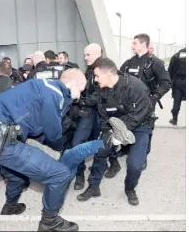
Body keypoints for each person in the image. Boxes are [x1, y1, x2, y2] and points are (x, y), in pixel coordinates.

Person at [0, 68, 132, 231]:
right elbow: (53, 133)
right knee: (60, 175)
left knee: (18, 175)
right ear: (74, 83)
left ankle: (10, 206)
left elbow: (34, 122)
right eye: (81, 90)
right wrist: (58, 146)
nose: (79, 96)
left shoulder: (45, 86)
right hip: (7, 144)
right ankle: (49, 222)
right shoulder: (55, 93)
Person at [77, 58, 154, 206]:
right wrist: (108, 134)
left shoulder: (135, 86)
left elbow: (138, 115)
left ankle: (130, 189)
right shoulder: (102, 91)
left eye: (98, 76)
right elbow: (104, 116)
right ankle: (93, 187)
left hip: (139, 127)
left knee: (135, 165)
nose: (95, 79)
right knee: (100, 151)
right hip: (114, 126)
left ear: (109, 73)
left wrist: (119, 134)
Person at [110, 33, 171, 173]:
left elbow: (166, 82)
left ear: (143, 44)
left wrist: (155, 96)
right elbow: (118, 76)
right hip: (129, 102)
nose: (132, 46)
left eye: (135, 43)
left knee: (145, 129)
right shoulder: (130, 62)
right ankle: (126, 148)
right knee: (126, 124)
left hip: (147, 103)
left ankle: (143, 156)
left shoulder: (154, 62)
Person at [71, 44, 103, 190]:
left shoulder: (104, 69)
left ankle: (109, 165)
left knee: (102, 144)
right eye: (85, 55)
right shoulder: (89, 70)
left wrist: (80, 100)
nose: (85, 58)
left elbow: (99, 95)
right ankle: (79, 175)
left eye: (88, 54)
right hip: (89, 112)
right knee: (77, 143)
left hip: (102, 113)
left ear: (98, 53)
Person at [168, 48, 186, 125]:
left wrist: (170, 82)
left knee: (177, 102)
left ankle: (174, 119)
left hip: (178, 82)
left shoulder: (176, 55)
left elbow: (170, 70)